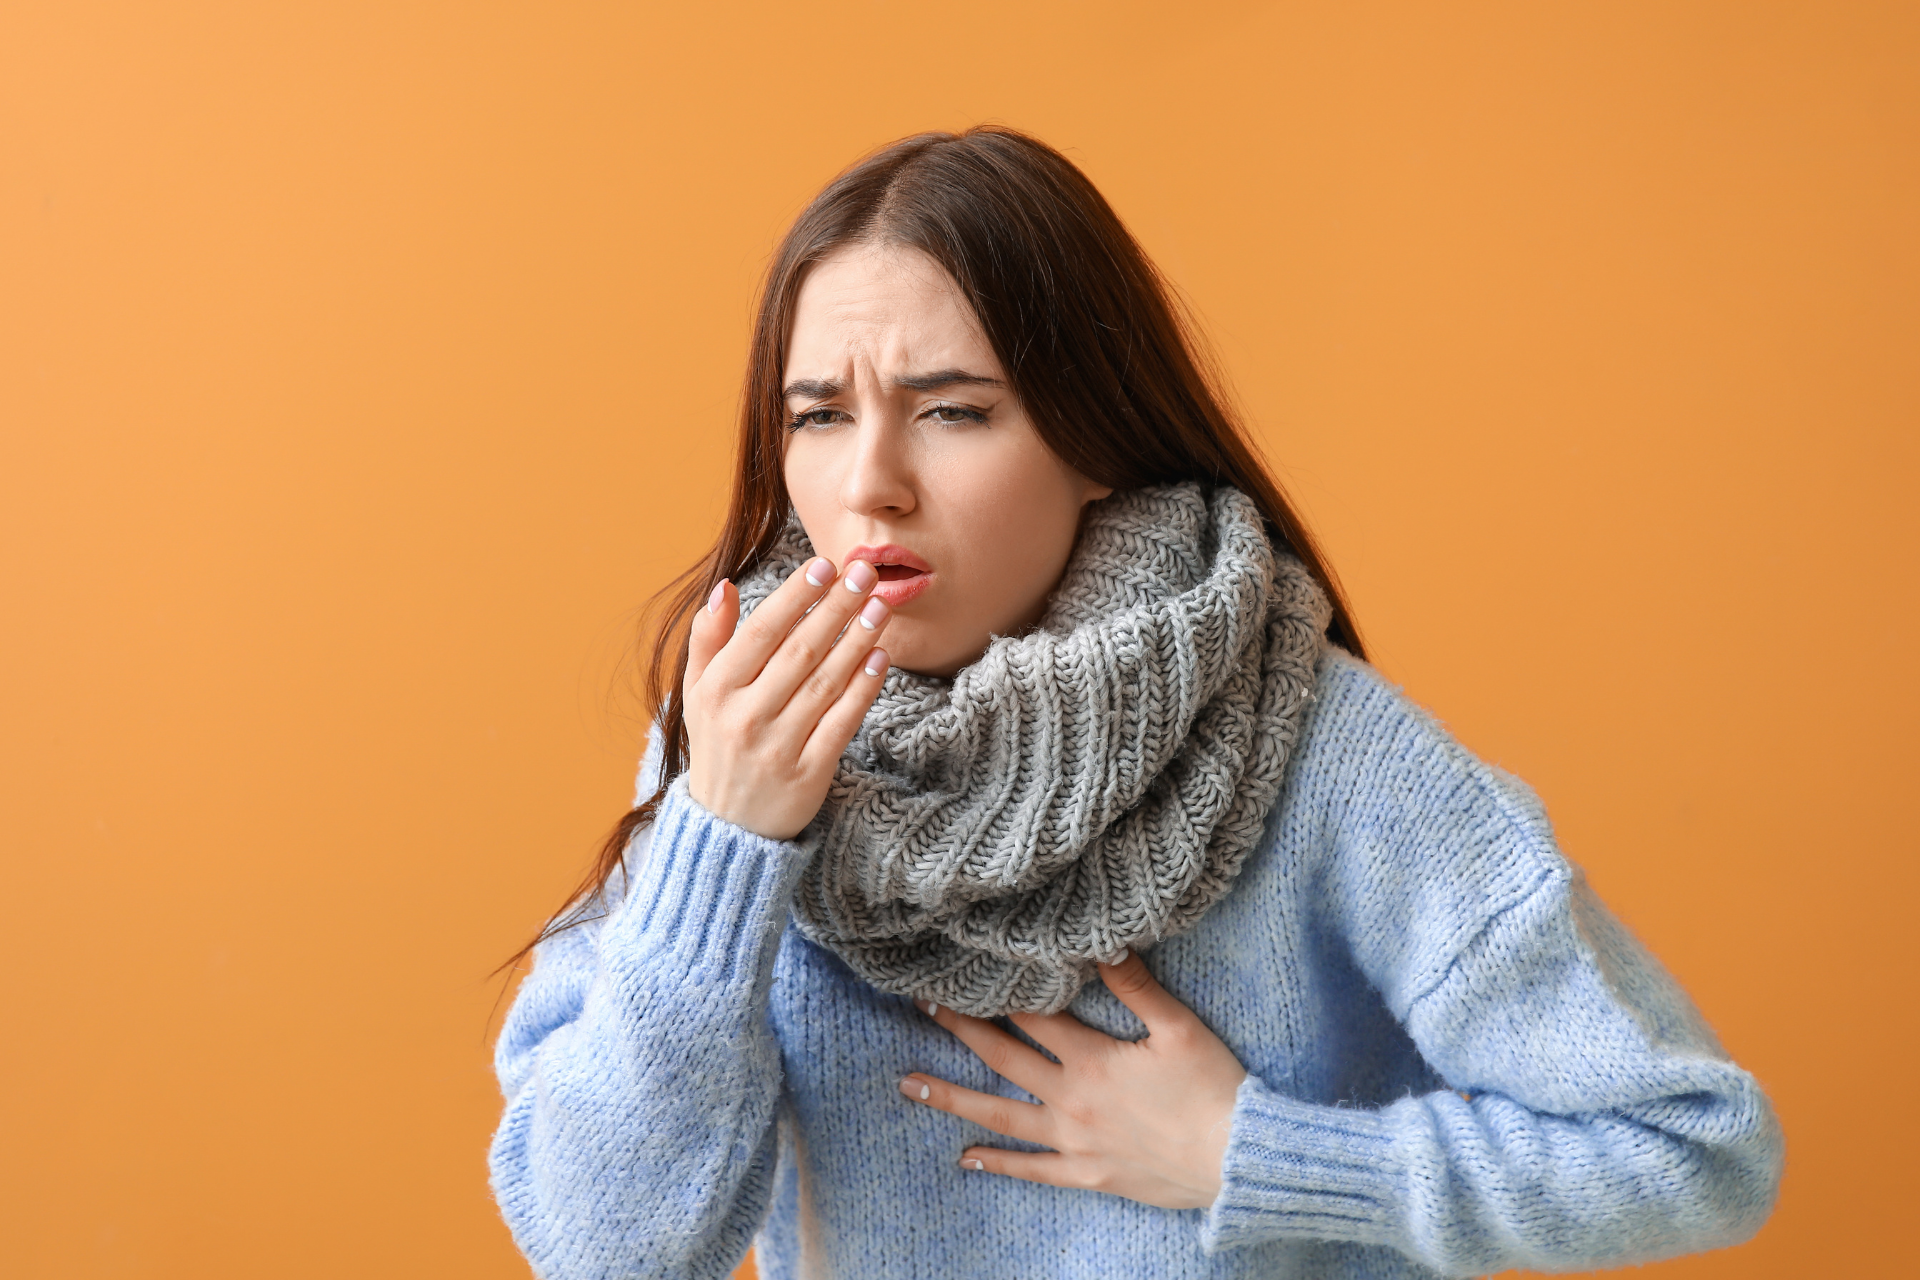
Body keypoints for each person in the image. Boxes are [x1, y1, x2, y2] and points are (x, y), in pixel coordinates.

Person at [487, 127, 1782, 1280]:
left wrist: (1248, 1157)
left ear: (1092, 437)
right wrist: (724, 840)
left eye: (952, 411)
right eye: (818, 416)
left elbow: (1694, 1150)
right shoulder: (739, 737)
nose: (870, 483)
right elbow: (608, 1251)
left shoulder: (1323, 749)